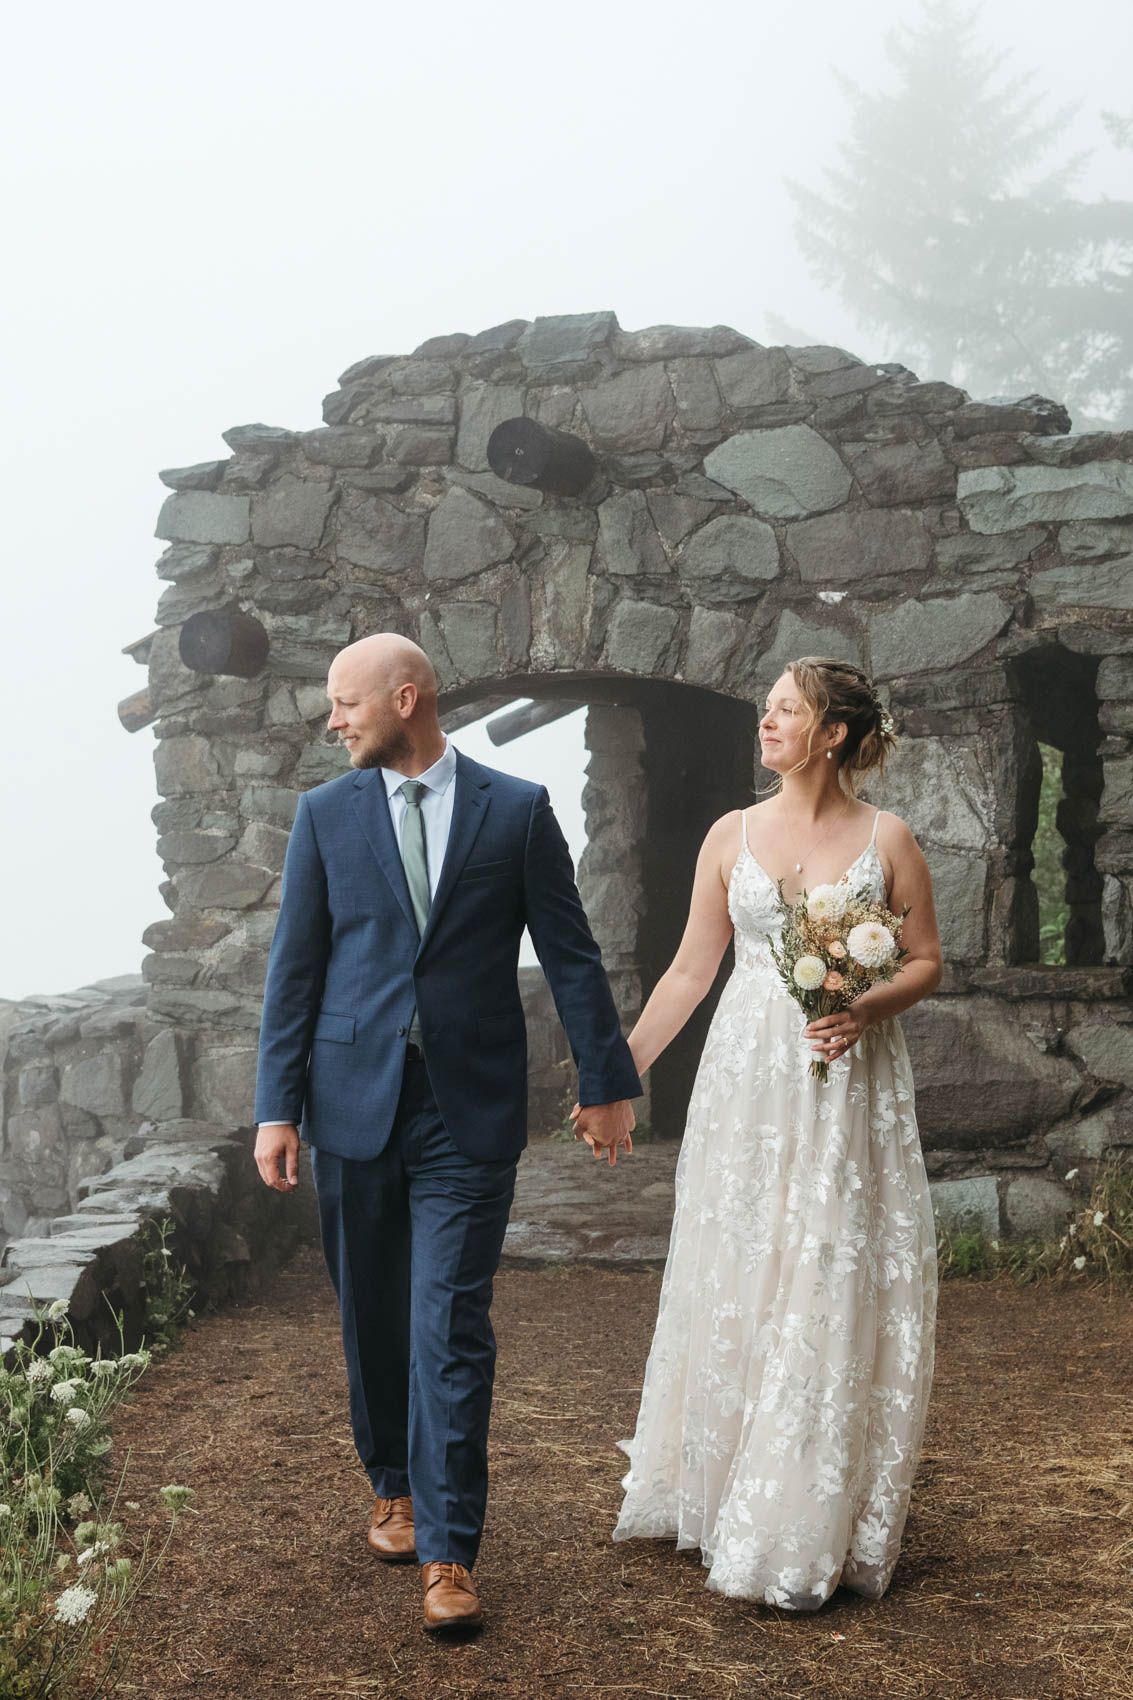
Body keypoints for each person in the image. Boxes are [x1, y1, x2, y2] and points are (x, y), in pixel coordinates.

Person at [252, 634, 639, 1636]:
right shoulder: (324, 815)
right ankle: (392, 1478)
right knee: (373, 1314)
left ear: (405, 696)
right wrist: (275, 1105)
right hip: (350, 1104)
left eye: (345, 702)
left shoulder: (516, 812)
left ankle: (448, 1551)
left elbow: (568, 949)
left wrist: (605, 1081)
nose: (333, 720)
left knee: (449, 1324)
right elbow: (294, 971)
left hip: (467, 1111)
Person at [606, 657, 941, 1610]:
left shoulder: (888, 838)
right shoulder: (729, 834)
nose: (766, 722)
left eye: (784, 710)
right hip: (747, 1080)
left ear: (831, 734)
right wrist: (614, 1075)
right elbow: (686, 974)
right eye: (766, 710)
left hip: (845, 1077)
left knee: (826, 1260)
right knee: (740, 1255)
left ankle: (803, 1509)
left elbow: (925, 960)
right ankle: (716, 1484)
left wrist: (867, 1007)